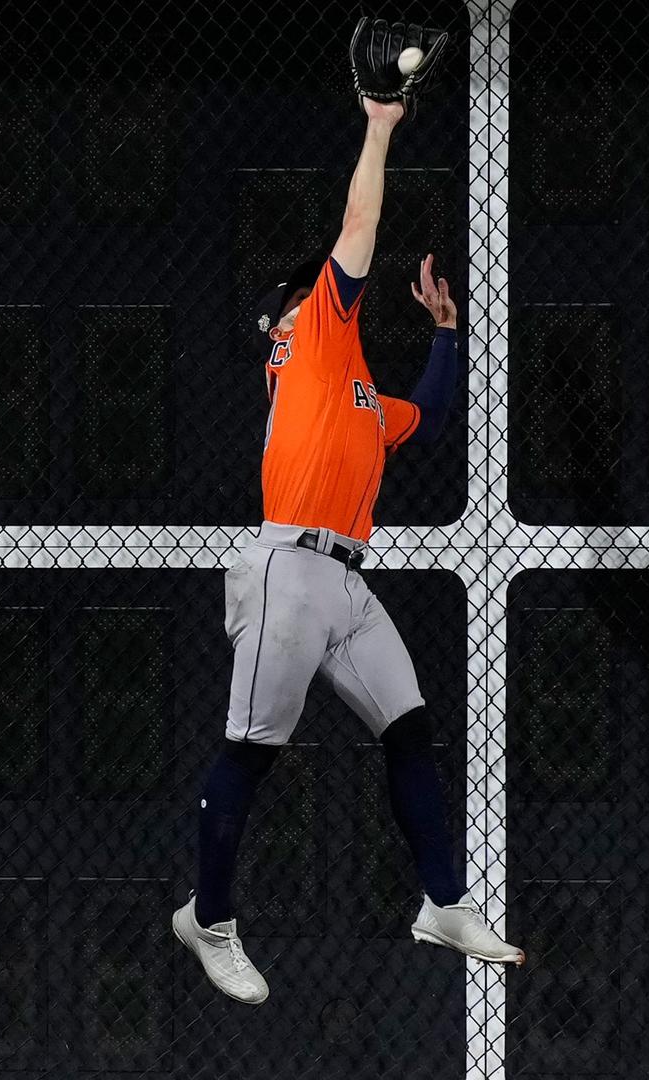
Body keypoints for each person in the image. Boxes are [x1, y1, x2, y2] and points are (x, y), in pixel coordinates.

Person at [172, 95, 522, 1007]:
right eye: (306, 292)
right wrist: (380, 127)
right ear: (291, 321)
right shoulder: (314, 338)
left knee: (409, 730)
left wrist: (445, 331)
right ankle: (208, 920)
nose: (322, 290)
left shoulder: (358, 396)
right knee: (250, 752)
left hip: (344, 583)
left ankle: (442, 902)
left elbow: (433, 416)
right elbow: (360, 222)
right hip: (288, 570)